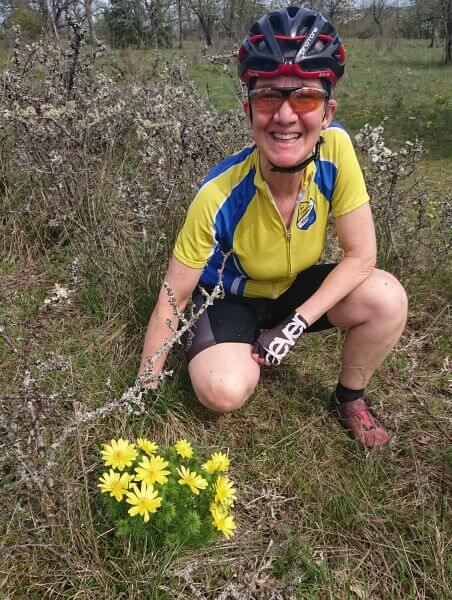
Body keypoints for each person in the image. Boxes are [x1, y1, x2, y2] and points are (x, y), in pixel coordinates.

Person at [138, 5, 408, 449]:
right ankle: (229, 349)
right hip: (232, 298)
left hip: (295, 290)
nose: (285, 116)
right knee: (221, 390)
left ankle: (350, 396)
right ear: (249, 115)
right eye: (268, 98)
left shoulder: (337, 151)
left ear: (327, 113)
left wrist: (296, 324)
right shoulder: (219, 194)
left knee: (386, 297)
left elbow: (362, 256)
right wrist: (142, 397)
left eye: (304, 97)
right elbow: (174, 297)